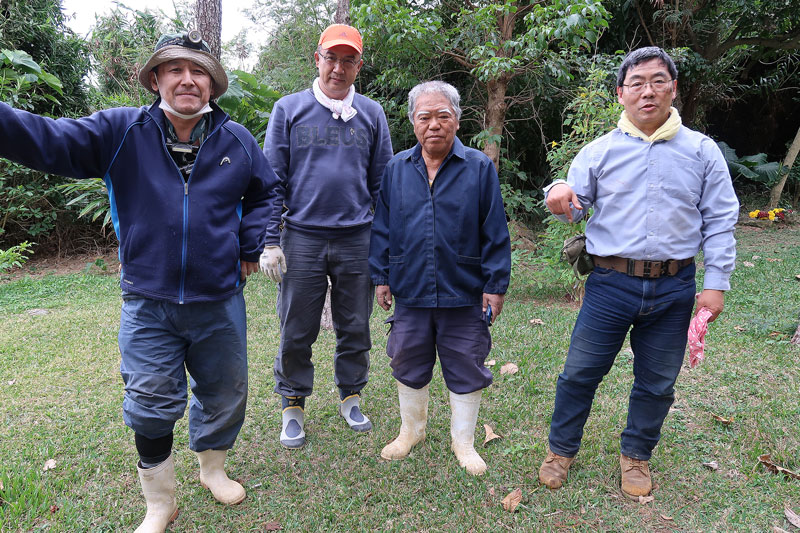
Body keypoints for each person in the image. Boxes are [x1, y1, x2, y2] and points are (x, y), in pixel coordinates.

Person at [0, 32, 279, 532]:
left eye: (199, 73)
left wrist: (251, 246)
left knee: (225, 391)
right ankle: (160, 502)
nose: (187, 80)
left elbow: (265, 194)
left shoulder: (237, 141)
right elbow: (46, 140)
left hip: (219, 299)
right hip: (147, 301)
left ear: (213, 86)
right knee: (149, 401)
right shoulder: (119, 131)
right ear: (156, 79)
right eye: (174, 70)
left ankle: (212, 469)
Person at [538, 47, 739, 499]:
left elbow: (721, 220)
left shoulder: (702, 151)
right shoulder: (599, 151)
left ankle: (636, 456)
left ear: (673, 88)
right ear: (621, 94)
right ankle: (560, 450)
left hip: (675, 287)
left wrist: (715, 285)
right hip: (610, 284)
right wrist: (558, 191)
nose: (648, 91)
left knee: (658, 381)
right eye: (637, 83)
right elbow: (572, 205)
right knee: (579, 373)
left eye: (658, 81)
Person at [260, 24, 394, 449]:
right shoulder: (289, 109)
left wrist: (387, 246)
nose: (338, 68)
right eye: (331, 58)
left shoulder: (371, 114)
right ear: (316, 59)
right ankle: (293, 403)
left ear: (358, 65)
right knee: (296, 325)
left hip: (358, 237)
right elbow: (272, 181)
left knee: (355, 324)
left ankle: (351, 396)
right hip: (301, 237)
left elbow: (383, 187)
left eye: (348, 59)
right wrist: (269, 240)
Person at [369, 81, 511, 475]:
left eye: (443, 116)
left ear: (457, 121)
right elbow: (382, 227)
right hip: (410, 288)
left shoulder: (479, 167)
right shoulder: (397, 168)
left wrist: (494, 286)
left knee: (466, 362)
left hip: (464, 290)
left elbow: (495, 231)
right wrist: (381, 276)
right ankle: (410, 430)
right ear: (413, 122)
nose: (434, 124)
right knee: (408, 358)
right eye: (425, 117)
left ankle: (463, 441)